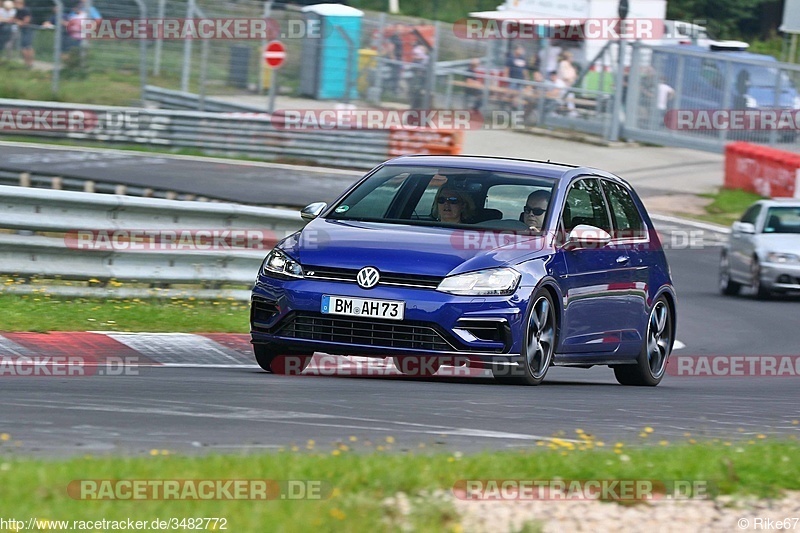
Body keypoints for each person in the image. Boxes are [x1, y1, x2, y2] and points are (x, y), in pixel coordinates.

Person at [12, 0, 32, 67]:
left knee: (27, 47)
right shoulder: (18, 11)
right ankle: (26, 63)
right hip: (22, 31)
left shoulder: (25, 10)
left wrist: (20, 22)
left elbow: (27, 21)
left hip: (27, 30)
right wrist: (17, 21)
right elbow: (13, 19)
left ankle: (29, 63)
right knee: (23, 47)